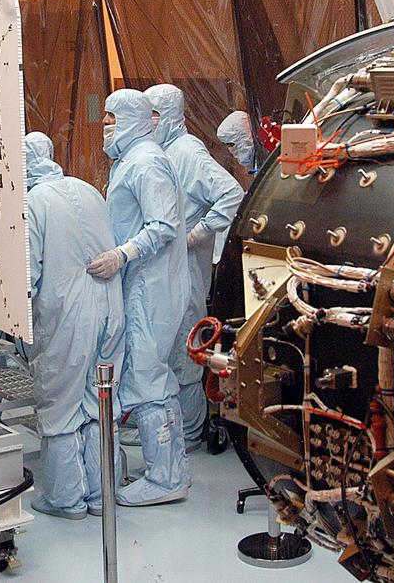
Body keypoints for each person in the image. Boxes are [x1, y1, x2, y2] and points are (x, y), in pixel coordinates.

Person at [87, 89, 191, 506]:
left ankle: (167, 480)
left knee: (149, 378)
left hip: (153, 286)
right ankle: (169, 469)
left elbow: (163, 225)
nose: (106, 125)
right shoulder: (131, 161)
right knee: (148, 375)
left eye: (112, 118)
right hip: (143, 284)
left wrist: (121, 254)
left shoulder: (147, 162)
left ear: (134, 118)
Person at [24, 132, 126, 520]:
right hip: (109, 310)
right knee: (100, 402)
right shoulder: (87, 188)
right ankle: (102, 495)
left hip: (67, 317)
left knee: (59, 405)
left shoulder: (35, 202)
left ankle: (66, 499)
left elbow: (28, 272)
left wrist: (1, 316)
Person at [145, 85, 244, 447]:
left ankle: (188, 432)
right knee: (167, 351)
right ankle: (171, 428)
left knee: (187, 352)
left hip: (186, 269)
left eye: (155, 114)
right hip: (165, 269)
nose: (149, 121)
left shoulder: (188, 152)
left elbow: (232, 194)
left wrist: (197, 233)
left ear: (171, 114)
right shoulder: (161, 153)